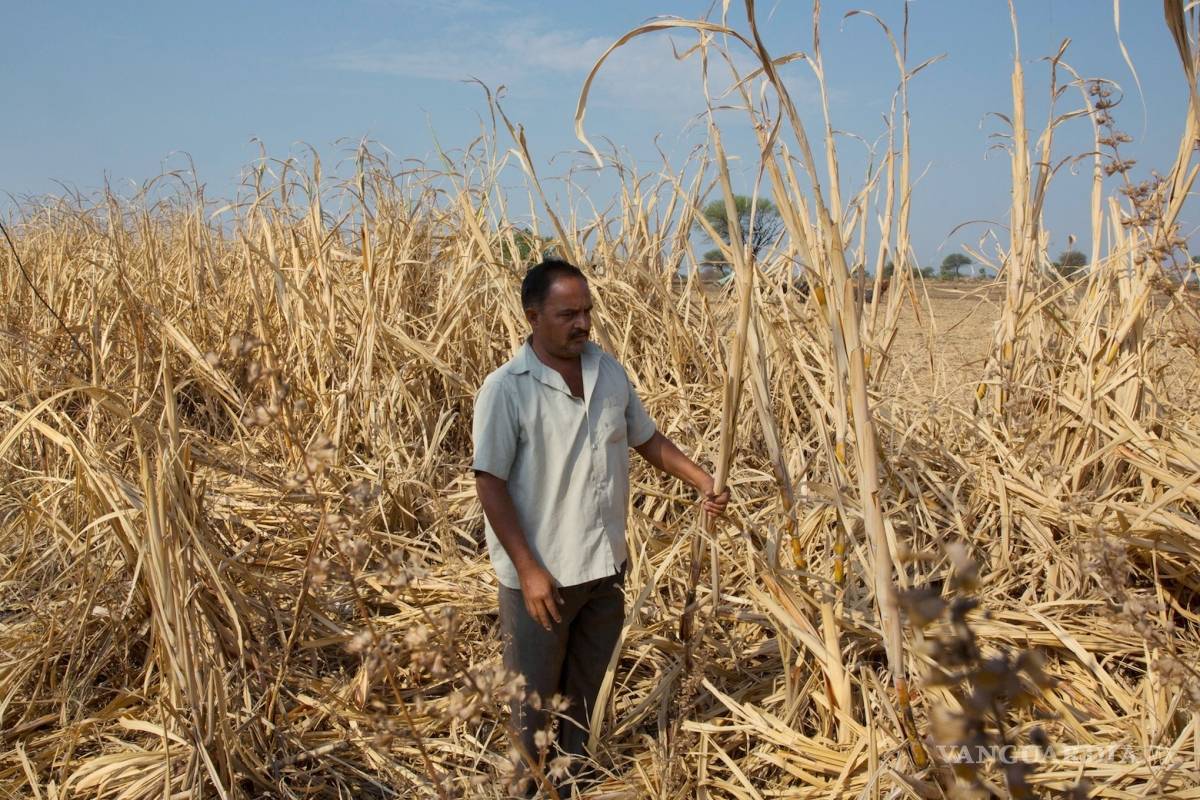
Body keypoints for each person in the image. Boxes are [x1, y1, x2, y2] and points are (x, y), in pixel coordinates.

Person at [471, 258, 730, 780]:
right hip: (542, 576)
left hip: (605, 565)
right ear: (533, 316)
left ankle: (574, 780)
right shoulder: (506, 389)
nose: (583, 323)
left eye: (587, 311)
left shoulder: (608, 372)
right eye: (568, 313)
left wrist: (701, 479)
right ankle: (528, 785)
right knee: (535, 702)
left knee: (588, 690)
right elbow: (489, 483)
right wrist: (528, 570)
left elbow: (645, 438)